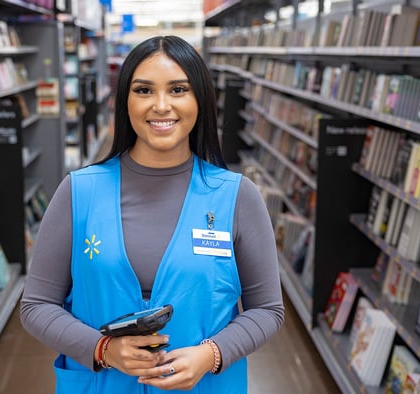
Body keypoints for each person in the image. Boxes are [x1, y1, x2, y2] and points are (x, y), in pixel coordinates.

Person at [20, 35, 285, 393]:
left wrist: (212, 354)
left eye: (178, 89)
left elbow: (268, 309)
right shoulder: (79, 191)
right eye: (144, 90)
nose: (161, 105)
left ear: (200, 100)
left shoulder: (236, 196)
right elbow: (37, 305)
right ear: (125, 101)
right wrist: (103, 349)